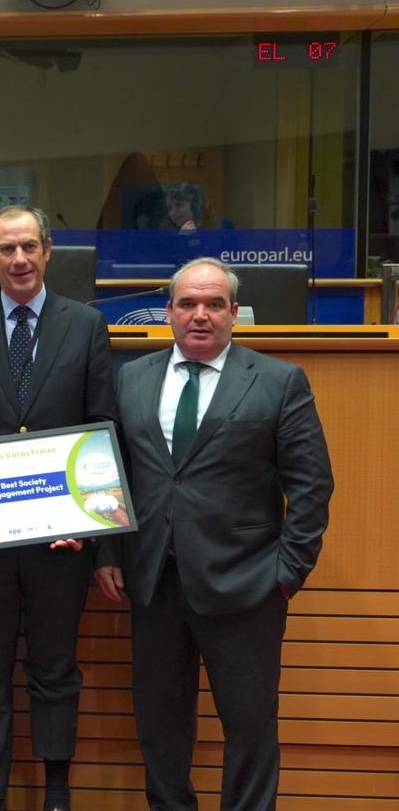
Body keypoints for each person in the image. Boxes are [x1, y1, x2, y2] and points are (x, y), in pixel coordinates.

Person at [95, 257, 333, 811]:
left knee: (249, 730)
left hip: (246, 585)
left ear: (234, 313)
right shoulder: (132, 378)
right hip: (153, 581)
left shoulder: (278, 381)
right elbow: (114, 476)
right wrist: (108, 551)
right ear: (169, 312)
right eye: (187, 304)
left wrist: (286, 572)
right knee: (160, 727)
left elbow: (313, 486)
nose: (199, 316)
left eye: (213, 304)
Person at [0, 205, 116, 811]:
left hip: (61, 539)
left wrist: (89, 522)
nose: (18, 259)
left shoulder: (86, 324)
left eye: (29, 247)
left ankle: (57, 791)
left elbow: (102, 427)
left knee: (55, 669)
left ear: (48, 252)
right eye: (6, 249)